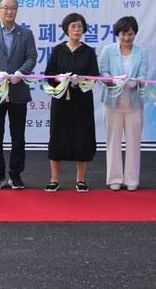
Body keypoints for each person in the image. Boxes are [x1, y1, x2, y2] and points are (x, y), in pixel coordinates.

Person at [0, 0, 38, 190]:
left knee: (18, 136)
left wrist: (21, 72)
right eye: (5, 8)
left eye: (13, 8)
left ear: (17, 11)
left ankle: (16, 175)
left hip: (18, 91)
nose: (9, 12)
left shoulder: (26, 34)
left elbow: (32, 57)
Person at [44, 13, 99, 192]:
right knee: (57, 136)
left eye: (80, 26)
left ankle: (80, 180)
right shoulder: (58, 50)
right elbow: (48, 75)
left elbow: (94, 76)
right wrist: (58, 78)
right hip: (61, 100)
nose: (77, 30)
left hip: (82, 100)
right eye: (73, 26)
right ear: (66, 29)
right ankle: (54, 179)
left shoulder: (88, 52)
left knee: (82, 137)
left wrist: (80, 80)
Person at [98, 16, 148, 191]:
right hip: (113, 102)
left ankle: (132, 179)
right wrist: (113, 80)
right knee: (113, 141)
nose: (127, 38)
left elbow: (143, 74)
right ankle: (115, 178)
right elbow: (102, 72)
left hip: (134, 103)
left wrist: (137, 81)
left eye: (130, 34)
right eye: (123, 34)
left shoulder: (141, 52)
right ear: (118, 34)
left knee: (134, 142)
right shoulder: (108, 50)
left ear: (135, 34)